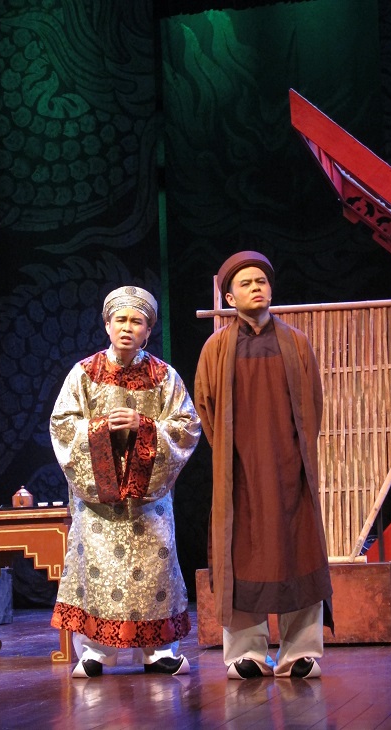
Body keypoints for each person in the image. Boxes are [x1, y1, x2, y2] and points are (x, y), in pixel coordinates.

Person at [194, 250, 333, 680]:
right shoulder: (217, 348)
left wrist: (293, 455)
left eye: (262, 281)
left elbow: (312, 406)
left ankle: (299, 652)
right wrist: (233, 455)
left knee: (299, 550)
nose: (256, 288)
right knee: (240, 555)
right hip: (238, 471)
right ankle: (247, 653)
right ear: (229, 298)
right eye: (246, 284)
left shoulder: (296, 342)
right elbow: (206, 406)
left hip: (290, 468)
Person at [50, 285, 201, 677]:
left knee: (155, 569)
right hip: (99, 502)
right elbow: (63, 426)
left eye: (137, 321)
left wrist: (144, 426)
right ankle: (95, 651)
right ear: (107, 325)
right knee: (97, 570)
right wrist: (101, 429)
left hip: (148, 501)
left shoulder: (164, 377)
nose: (128, 327)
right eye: (121, 320)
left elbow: (186, 426)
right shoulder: (84, 374)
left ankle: (158, 650)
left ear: (148, 330)